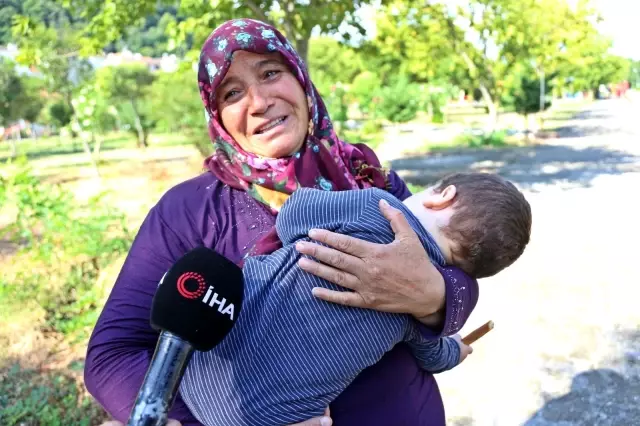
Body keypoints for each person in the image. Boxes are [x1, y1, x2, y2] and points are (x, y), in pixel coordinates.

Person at [85, 19, 480, 426]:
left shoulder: (367, 174)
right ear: (216, 113)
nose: (258, 102)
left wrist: (431, 295)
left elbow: (460, 264)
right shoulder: (188, 211)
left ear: (300, 78)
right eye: (232, 92)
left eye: (270, 73)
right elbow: (113, 355)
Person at [179, 172, 531, 426]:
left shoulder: (373, 205)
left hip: (198, 373)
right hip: (271, 417)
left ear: (443, 195)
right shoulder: (414, 309)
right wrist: (456, 349)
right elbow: (432, 353)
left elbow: (294, 214)